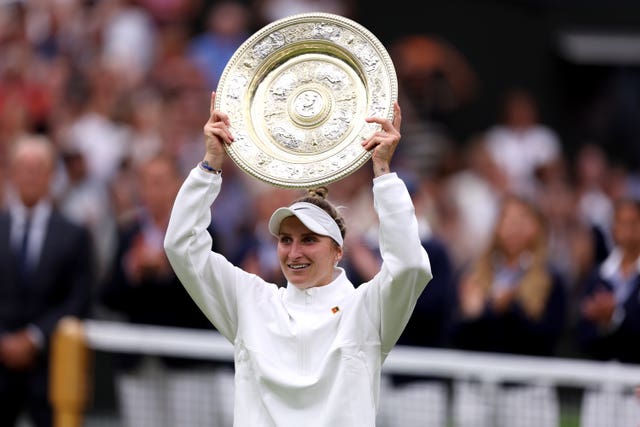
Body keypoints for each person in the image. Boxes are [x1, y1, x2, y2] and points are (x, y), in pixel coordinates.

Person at [163, 91, 433, 426]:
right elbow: (181, 245)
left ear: (338, 251)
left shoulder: (367, 309)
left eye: (309, 240)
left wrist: (383, 172)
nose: (294, 252)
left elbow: (409, 266)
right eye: (285, 240)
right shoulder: (251, 300)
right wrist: (209, 165)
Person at [99, 153, 225, 427]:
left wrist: (167, 269)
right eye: (145, 181)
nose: (151, 189)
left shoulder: (202, 231)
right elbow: (107, 297)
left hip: (187, 362)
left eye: (159, 181)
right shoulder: (128, 232)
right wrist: (132, 271)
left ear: (177, 185)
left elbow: (213, 296)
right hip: (137, 362)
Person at [449, 194, 567, 427]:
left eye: (522, 220)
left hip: (528, 392)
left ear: (537, 228)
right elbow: (455, 336)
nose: (514, 227)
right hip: (477, 390)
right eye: (507, 219)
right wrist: (472, 316)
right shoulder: (473, 274)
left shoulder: (551, 279)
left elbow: (548, 338)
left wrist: (509, 309)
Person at [0, 133, 93, 427]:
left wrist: (34, 337)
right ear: (12, 173)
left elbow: (79, 299)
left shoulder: (74, 235)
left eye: (37, 169)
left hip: (51, 369)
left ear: (51, 175)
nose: (29, 176)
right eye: (23, 168)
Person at [575, 197, 640, 427]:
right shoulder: (599, 276)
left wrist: (615, 318)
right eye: (620, 223)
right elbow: (583, 336)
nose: (627, 230)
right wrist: (603, 324)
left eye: (634, 222)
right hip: (601, 387)